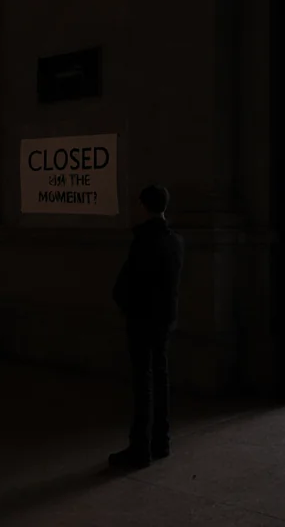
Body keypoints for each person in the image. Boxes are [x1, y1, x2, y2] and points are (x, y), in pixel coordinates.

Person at [109, 185, 185, 470]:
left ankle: (140, 447)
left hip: (141, 318)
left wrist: (124, 304)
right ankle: (161, 441)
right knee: (160, 378)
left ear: (143, 206)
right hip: (164, 318)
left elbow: (127, 282)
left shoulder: (143, 241)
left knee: (143, 383)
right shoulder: (176, 241)